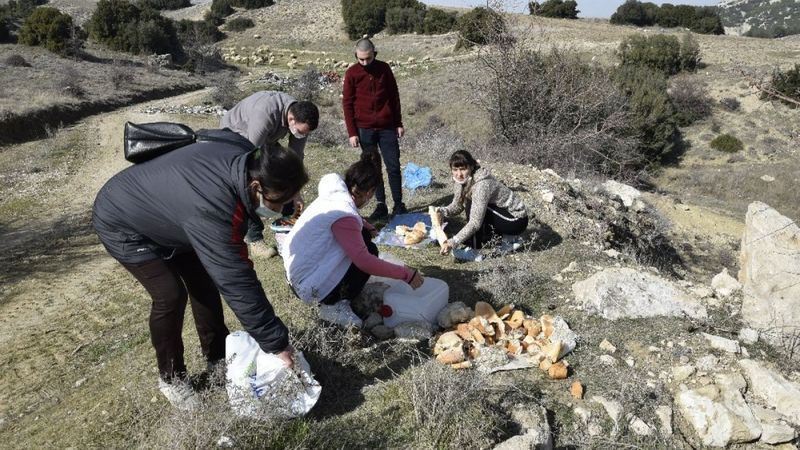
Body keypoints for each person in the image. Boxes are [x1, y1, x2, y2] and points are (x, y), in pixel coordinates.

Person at [93, 132, 308, 411]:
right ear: (256, 186)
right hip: (122, 218)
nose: (282, 208)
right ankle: (172, 379)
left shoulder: (250, 157)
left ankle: (218, 357)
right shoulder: (216, 208)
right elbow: (236, 280)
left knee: (203, 282)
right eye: (280, 201)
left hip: (175, 213)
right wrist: (276, 343)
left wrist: (290, 194)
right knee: (170, 295)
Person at [283, 152, 424, 328]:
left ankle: (334, 291)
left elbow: (346, 217)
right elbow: (365, 262)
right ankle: (333, 304)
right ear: (369, 193)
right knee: (369, 250)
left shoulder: (335, 194)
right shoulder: (345, 215)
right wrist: (406, 274)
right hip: (308, 286)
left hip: (295, 272)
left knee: (363, 236)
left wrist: (364, 223)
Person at [221, 91, 320, 256]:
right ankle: (254, 238)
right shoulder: (265, 113)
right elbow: (250, 156)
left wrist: (296, 193)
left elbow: (295, 158)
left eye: (306, 133)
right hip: (236, 135)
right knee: (251, 184)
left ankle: (289, 229)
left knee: (285, 171)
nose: (302, 136)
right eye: (301, 132)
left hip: (265, 139)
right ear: (291, 120)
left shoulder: (299, 122)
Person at [342, 38, 406, 220]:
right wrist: (352, 133)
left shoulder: (384, 69)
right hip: (365, 129)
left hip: (387, 127)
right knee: (373, 169)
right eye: (361, 59)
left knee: (393, 166)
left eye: (368, 59)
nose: (364, 63)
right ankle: (380, 205)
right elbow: (347, 104)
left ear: (374, 54)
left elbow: (394, 97)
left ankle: (398, 204)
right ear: (356, 56)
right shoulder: (352, 73)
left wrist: (398, 123)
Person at [436, 150, 529, 259]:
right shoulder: (461, 181)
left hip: (516, 220)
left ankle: (474, 253)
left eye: (463, 169)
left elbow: (475, 223)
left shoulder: (481, 185)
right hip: (503, 215)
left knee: (473, 206)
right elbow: (457, 206)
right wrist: (442, 211)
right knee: (473, 205)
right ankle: (508, 240)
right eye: (455, 170)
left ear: (471, 167)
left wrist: (453, 242)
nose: (459, 174)